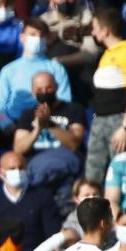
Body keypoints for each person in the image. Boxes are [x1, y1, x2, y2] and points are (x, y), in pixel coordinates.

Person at [83, 7, 126, 183]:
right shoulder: (107, 54)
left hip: (119, 122)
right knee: (93, 172)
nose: (93, 32)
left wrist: (125, 127)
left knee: (120, 174)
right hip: (100, 121)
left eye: (95, 27)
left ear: (105, 30)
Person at [0, 18, 71, 138]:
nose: (37, 39)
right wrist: (6, 125)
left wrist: (49, 123)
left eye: (41, 35)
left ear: (47, 40)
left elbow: (65, 100)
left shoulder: (56, 68)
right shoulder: (8, 70)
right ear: (22, 37)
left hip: (50, 126)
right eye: (32, 34)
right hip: (16, 126)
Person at [12, 70, 85, 199]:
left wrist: (51, 125)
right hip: (36, 173)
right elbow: (19, 148)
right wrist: (37, 129)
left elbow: (74, 144)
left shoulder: (74, 110)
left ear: (56, 87)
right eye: (39, 89)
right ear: (33, 92)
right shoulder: (27, 114)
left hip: (66, 170)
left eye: (48, 88)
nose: (44, 92)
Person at [0, 0, 22, 75]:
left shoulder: (18, 25)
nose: (3, 8)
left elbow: (20, 51)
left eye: (7, 5)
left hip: (11, 65)